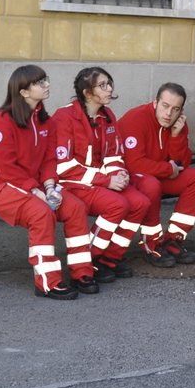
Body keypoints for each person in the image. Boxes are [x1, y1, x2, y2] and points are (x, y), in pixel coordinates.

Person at [0, 65, 98, 298]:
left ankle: (82, 272)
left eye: (45, 80)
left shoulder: (46, 121)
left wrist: (50, 186)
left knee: (75, 208)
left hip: (34, 187)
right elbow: (4, 167)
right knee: (41, 213)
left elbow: (49, 159)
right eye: (39, 82)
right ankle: (47, 281)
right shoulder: (3, 120)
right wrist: (34, 190)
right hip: (2, 187)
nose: (46, 85)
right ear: (23, 92)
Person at [51, 67, 150, 280]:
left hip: (99, 183)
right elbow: (63, 167)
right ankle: (89, 259)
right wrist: (106, 181)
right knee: (118, 205)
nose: (109, 89)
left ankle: (110, 258)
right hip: (72, 183)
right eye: (102, 85)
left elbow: (114, 155)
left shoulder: (107, 115)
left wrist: (119, 175)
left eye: (109, 83)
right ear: (87, 93)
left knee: (140, 203)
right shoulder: (64, 117)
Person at [117, 82, 195, 265]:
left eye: (175, 109)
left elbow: (182, 163)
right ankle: (150, 243)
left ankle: (173, 240)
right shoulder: (135, 119)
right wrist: (168, 169)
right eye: (165, 106)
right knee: (151, 184)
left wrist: (176, 136)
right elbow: (134, 164)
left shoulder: (178, 124)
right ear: (155, 103)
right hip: (130, 178)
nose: (169, 114)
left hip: (159, 176)